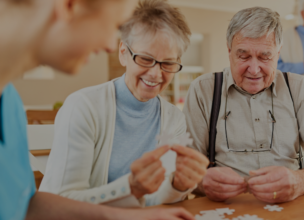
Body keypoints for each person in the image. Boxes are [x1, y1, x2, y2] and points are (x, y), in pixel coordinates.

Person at [0, 0, 194, 219]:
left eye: (167, 63)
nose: (110, 45)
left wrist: (169, 189)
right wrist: (130, 188)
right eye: (113, 24)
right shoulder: (83, 105)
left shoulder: (10, 103)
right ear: (69, 6)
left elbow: (28, 205)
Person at [183, 6, 304, 204]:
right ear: (229, 51)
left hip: (290, 209)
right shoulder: (202, 90)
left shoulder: (299, 88)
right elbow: (184, 170)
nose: (254, 70)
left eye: (265, 56)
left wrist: (300, 181)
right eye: (243, 56)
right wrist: (202, 181)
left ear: (278, 53)